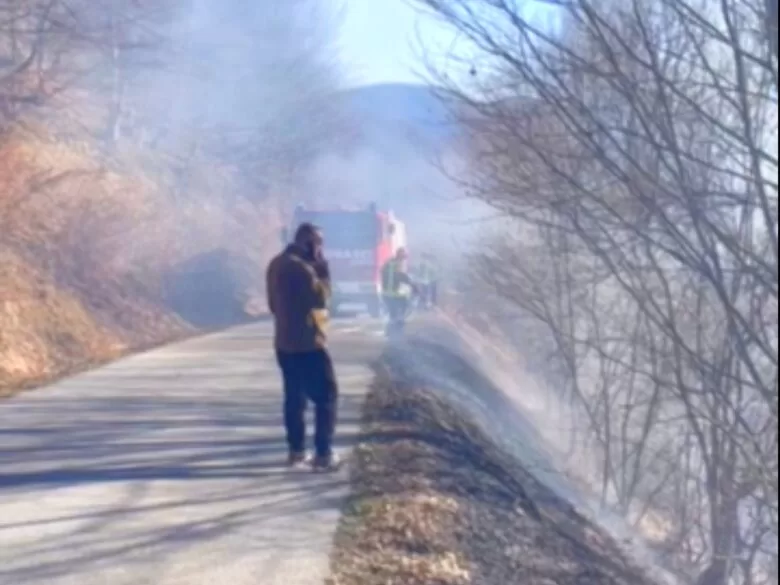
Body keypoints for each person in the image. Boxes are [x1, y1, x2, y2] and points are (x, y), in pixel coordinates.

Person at [266, 222, 340, 471]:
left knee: (294, 398)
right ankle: (324, 454)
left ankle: (296, 451)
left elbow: (272, 305)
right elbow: (323, 297)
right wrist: (323, 271)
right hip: (309, 344)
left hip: (283, 343)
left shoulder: (276, 264)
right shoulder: (305, 270)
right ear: (308, 243)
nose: (321, 249)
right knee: (326, 395)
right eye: (318, 243)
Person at [381, 247, 416, 324]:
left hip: (386, 292)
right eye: (404, 256)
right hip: (393, 292)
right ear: (400, 255)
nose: (404, 259)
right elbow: (400, 276)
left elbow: (384, 273)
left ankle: (392, 324)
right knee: (405, 303)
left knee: (392, 312)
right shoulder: (397, 263)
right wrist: (411, 284)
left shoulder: (389, 262)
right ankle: (397, 321)